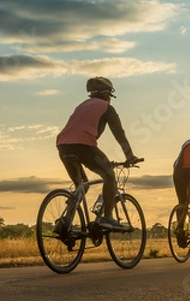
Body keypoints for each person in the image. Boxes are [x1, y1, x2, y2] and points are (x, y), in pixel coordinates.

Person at [56, 76, 140, 230]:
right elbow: (119, 134)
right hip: (84, 147)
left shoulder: (81, 106)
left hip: (63, 147)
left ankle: (65, 221)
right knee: (109, 176)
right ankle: (107, 218)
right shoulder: (106, 108)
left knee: (81, 185)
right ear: (107, 94)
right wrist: (129, 156)